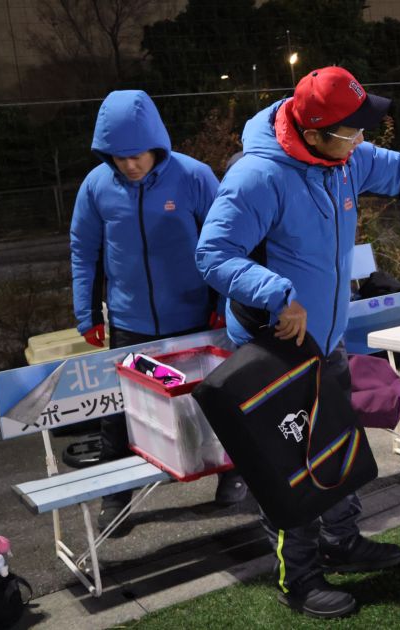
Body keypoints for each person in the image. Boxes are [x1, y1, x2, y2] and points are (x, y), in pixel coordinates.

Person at [195, 66, 400, 619]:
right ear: (313, 133)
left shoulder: (344, 159)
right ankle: (299, 578)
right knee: (291, 469)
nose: (362, 139)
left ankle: (343, 541)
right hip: (275, 349)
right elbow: (213, 255)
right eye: (352, 130)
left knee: (337, 445)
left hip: (326, 341)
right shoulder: (259, 177)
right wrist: (276, 294)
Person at [70, 90, 247, 535]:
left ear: (156, 145)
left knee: (214, 399)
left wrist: (223, 303)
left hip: (195, 319)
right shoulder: (96, 186)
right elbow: (83, 251)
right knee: (119, 415)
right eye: (119, 157)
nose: (130, 165)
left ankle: (233, 472)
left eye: (137, 155)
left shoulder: (194, 177)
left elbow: (227, 242)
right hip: (130, 326)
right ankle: (117, 497)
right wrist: (87, 313)